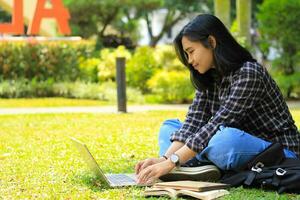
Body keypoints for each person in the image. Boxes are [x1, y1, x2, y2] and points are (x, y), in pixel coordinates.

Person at [135, 14, 300, 184]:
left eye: (191, 52)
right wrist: (164, 159)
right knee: (169, 127)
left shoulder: (249, 73)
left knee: (223, 139)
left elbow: (217, 124)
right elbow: (194, 121)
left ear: (211, 42)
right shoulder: (209, 76)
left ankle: (190, 162)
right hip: (223, 144)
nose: (190, 61)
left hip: (276, 151)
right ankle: (193, 165)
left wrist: (172, 161)